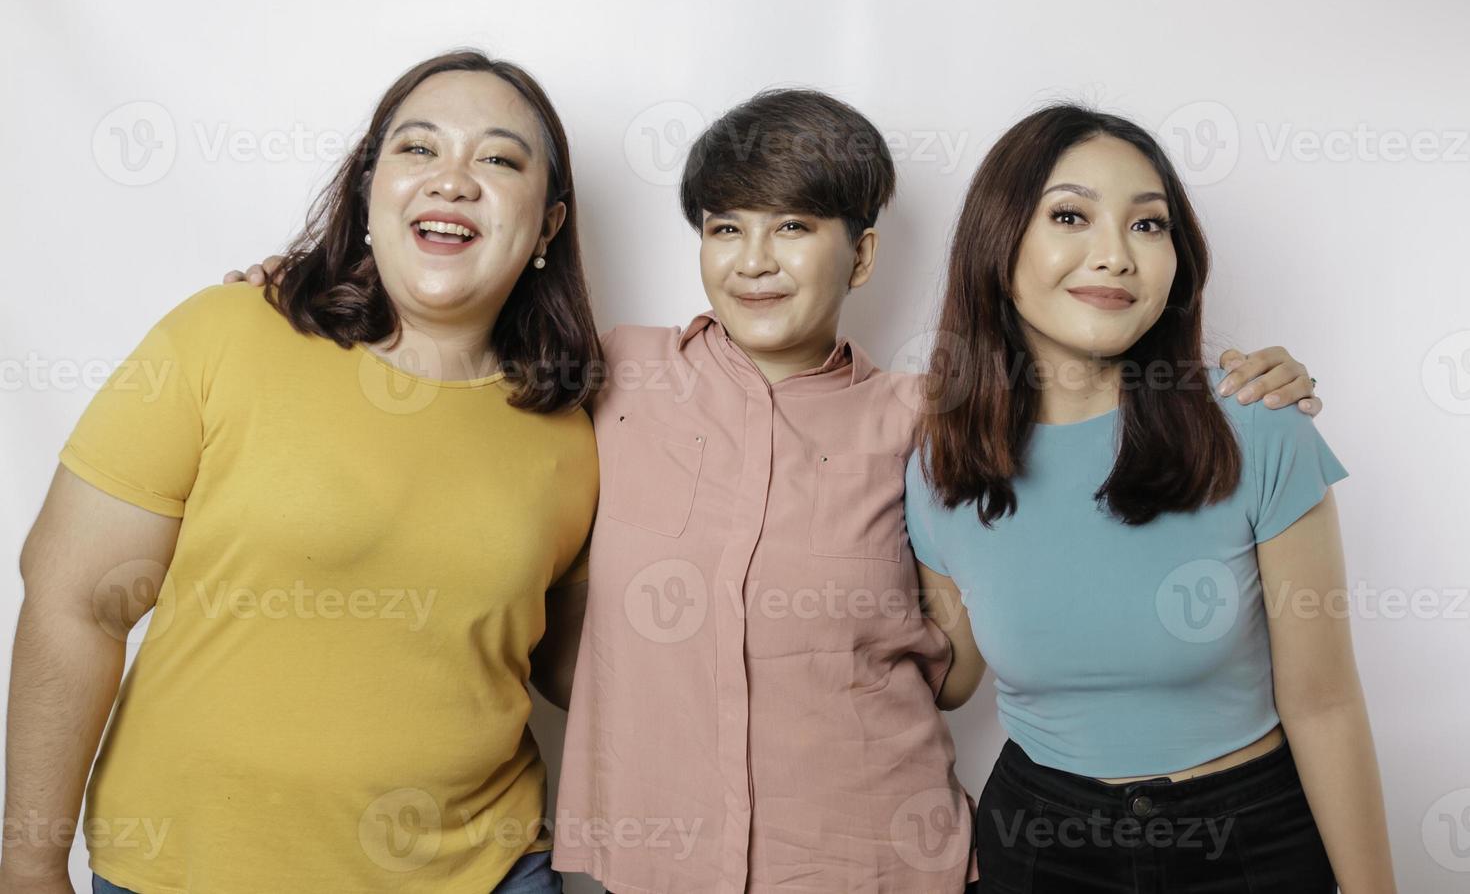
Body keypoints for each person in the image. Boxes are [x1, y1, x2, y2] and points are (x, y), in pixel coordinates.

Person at [221, 90, 1322, 893]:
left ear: (864, 253)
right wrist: (303, 298)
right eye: (724, 228)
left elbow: (1068, 440)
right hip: (641, 869)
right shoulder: (608, 371)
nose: (755, 258)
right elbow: (438, 343)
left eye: (794, 225)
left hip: (881, 865)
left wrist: (1234, 381)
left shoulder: (929, 415)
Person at [0, 50, 600, 894]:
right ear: (365, 193)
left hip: (489, 873)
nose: (454, 180)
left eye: (500, 159)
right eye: (418, 149)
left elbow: (587, 671)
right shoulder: (227, 334)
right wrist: (27, 864)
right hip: (189, 874)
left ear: (546, 226)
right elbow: (74, 601)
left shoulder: (576, 432)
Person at [905, 105, 1394, 892]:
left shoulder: (1260, 431)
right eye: (1070, 215)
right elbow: (948, 675)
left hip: (1248, 840)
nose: (1116, 256)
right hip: (1038, 842)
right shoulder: (939, 466)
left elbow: (1325, 703)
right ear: (999, 244)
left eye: (1149, 226)